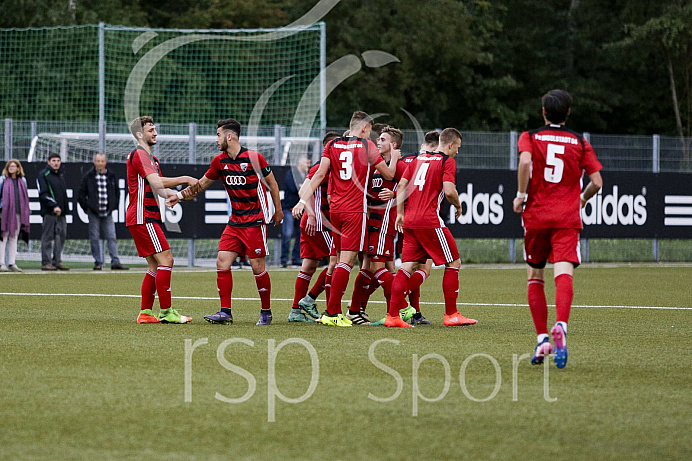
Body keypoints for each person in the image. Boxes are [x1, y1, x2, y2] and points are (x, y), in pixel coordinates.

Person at [512, 89, 603, 369]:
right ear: (568, 113)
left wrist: (521, 194)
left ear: (543, 112)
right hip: (566, 217)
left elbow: (526, 161)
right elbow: (597, 181)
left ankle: (542, 338)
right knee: (563, 272)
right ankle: (561, 324)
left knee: (534, 275)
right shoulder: (579, 141)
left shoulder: (530, 136)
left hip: (537, 215)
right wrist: (582, 199)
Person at [173, 118, 283, 326]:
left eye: (218, 135)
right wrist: (178, 197)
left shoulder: (253, 157)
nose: (216, 139)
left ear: (229, 136)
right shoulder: (219, 161)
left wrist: (278, 210)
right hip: (235, 222)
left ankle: (266, 312)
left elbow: (273, 184)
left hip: (255, 221)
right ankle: (225, 312)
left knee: (257, 267)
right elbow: (201, 185)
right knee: (222, 261)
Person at [292, 111, 398, 327]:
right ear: (365, 128)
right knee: (347, 262)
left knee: (337, 260)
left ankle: (328, 309)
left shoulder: (332, 145)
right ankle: (332, 313)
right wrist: (394, 158)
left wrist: (303, 201)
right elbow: (387, 175)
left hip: (335, 212)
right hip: (354, 211)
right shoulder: (366, 146)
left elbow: (320, 174)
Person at [387, 128, 478, 328]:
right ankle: (452, 314)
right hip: (429, 221)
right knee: (453, 262)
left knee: (406, 266)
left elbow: (401, 186)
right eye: (458, 148)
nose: (457, 153)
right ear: (450, 145)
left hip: (410, 220)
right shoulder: (447, 161)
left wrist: (400, 212)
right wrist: (458, 205)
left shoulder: (417, 160)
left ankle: (393, 316)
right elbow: (449, 190)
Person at [126, 116, 197, 324]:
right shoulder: (139, 154)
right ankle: (166, 312)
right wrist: (185, 178)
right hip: (143, 216)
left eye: (155, 129)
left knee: (155, 267)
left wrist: (177, 195)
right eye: (151, 130)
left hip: (146, 217)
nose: (155, 133)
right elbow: (156, 181)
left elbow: (159, 188)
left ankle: (146, 313)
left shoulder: (152, 159)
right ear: (140, 134)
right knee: (167, 260)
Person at [346, 126, 405, 324]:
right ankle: (398, 310)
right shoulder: (375, 166)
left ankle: (390, 310)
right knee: (373, 268)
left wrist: (396, 194)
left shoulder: (401, 166)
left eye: (382, 139)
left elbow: (414, 189)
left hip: (385, 224)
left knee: (378, 269)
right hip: (372, 223)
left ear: (393, 145)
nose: (378, 142)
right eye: (378, 138)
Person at [288, 132, 341, 322]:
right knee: (337, 262)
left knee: (309, 266)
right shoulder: (321, 167)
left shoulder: (335, 167)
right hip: (318, 222)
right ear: (329, 147)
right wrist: (311, 214)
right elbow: (304, 189)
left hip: (316, 222)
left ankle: (295, 311)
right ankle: (322, 306)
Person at [78, 153, 129, 271]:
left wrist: (114, 206)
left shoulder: (111, 175)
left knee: (112, 236)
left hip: (108, 212)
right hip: (93, 212)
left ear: (105, 162)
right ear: (94, 162)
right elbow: (81, 194)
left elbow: (117, 192)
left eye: (102, 161)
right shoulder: (88, 176)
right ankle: (98, 262)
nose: (100, 163)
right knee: (94, 237)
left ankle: (115, 261)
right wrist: (87, 207)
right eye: (98, 161)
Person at [37, 153, 69, 271]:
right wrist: (54, 205)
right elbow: (43, 193)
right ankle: (46, 262)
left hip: (62, 212)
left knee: (61, 236)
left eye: (58, 160)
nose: (56, 163)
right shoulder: (44, 175)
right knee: (48, 237)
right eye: (54, 160)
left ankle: (57, 260)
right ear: (48, 162)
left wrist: (64, 208)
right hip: (50, 212)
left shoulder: (59, 175)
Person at [0, 159, 30, 272]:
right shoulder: (3, 180)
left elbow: (25, 197)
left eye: (14, 166)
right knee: (3, 237)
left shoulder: (23, 181)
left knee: (14, 237)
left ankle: (12, 262)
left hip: (18, 213)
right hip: (5, 213)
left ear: (18, 168)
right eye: (10, 166)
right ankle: (1, 263)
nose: (11, 168)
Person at [280, 155, 309, 267]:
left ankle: (296, 259)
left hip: (301, 210)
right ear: (299, 163)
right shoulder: (291, 174)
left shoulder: (307, 175)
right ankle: (284, 260)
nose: (307, 165)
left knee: (300, 235)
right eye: (305, 163)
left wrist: (303, 186)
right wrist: (303, 187)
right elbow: (294, 188)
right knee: (287, 235)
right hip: (289, 209)